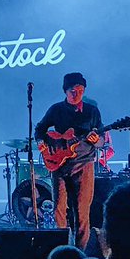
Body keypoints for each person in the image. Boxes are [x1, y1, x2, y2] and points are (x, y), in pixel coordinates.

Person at [34, 72, 102, 247]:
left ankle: (80, 253)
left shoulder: (91, 111)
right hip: (59, 165)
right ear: (66, 91)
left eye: (80, 90)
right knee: (59, 209)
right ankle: (62, 250)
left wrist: (97, 141)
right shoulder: (56, 110)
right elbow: (40, 129)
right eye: (73, 90)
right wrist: (42, 144)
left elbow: (101, 139)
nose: (76, 93)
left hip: (84, 163)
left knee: (81, 212)